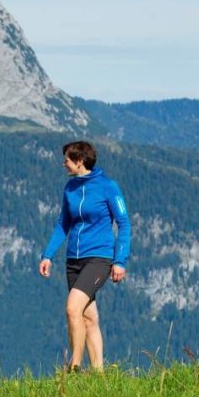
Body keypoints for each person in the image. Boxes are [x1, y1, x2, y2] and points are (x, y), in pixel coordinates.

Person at [38, 140, 131, 372]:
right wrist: (48, 255)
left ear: (80, 161)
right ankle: (99, 373)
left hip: (99, 258)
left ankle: (74, 367)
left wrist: (120, 260)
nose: (63, 164)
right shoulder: (70, 188)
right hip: (73, 260)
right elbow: (63, 224)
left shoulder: (108, 186)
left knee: (72, 309)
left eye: (67, 159)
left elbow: (124, 223)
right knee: (88, 318)